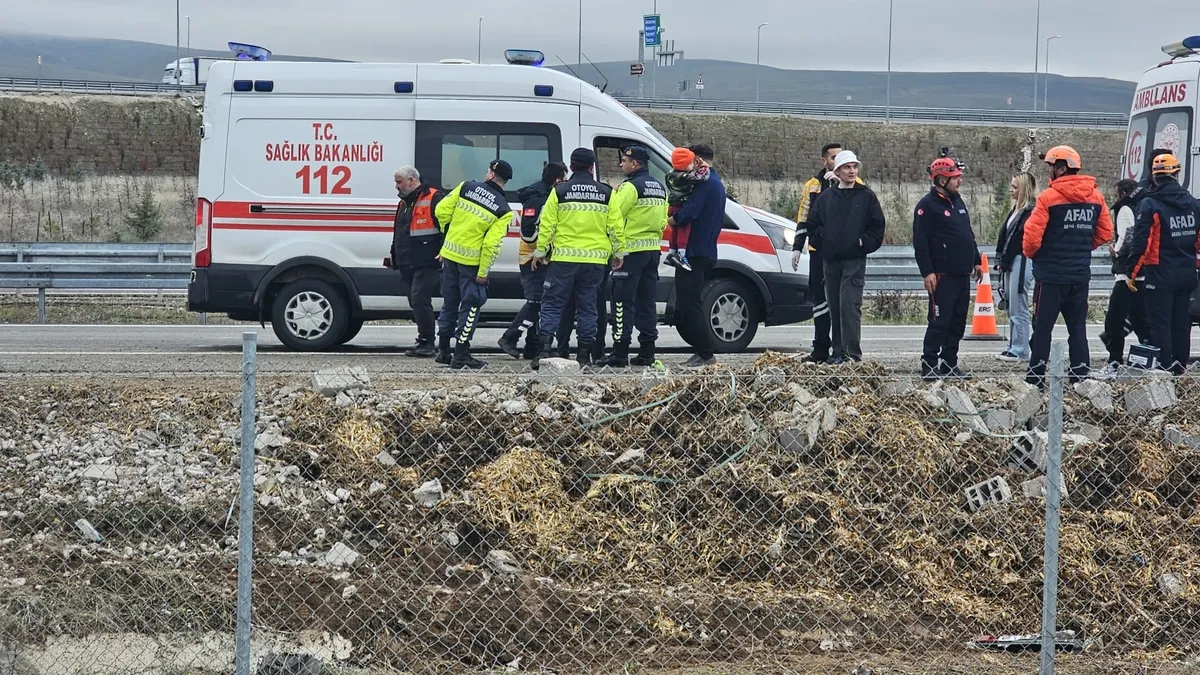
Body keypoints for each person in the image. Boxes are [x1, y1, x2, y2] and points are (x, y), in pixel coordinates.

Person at [1022, 145, 1113, 386]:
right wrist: (1081, 247)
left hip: (1050, 278)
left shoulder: (1047, 198)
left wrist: (1039, 254)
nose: (1049, 171)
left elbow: (1031, 240)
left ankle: (1035, 378)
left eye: (1051, 166)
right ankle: (1081, 376)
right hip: (1079, 276)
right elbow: (1105, 233)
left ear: (1061, 168)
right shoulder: (1096, 196)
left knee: (1042, 329)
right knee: (1077, 329)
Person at [530, 148, 617, 369]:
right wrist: (619, 253)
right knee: (588, 308)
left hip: (563, 260)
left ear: (572, 166)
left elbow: (546, 225)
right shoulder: (607, 193)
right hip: (595, 262)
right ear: (592, 167)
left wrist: (540, 253)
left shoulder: (560, 191)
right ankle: (584, 357)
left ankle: (544, 352)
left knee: (552, 304)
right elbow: (616, 227)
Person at [433, 159, 515, 369]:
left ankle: (443, 350)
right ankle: (461, 354)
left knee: (449, 303)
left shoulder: (465, 187)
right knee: (470, 307)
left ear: (490, 174)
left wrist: (446, 242)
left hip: (450, 256)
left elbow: (441, 211)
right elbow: (491, 244)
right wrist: (483, 272)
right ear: (504, 181)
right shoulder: (504, 209)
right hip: (472, 263)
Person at [1123, 153, 1200, 375]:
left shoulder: (1150, 204)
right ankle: (1179, 369)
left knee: (1160, 324)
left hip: (1160, 275)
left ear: (1154, 177)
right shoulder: (1193, 203)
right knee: (1181, 324)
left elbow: (1142, 244)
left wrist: (1131, 273)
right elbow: (1196, 239)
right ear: (1177, 173)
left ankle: (1165, 370)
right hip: (1186, 274)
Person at [807, 150, 886, 364]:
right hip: (830, 261)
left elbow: (877, 227)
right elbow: (812, 225)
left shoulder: (866, 196)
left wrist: (863, 243)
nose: (852, 171)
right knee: (834, 305)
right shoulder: (826, 198)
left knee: (849, 306)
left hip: (854, 260)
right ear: (838, 171)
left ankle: (852, 355)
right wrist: (822, 241)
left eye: (854, 167)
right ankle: (838, 352)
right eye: (847, 167)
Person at [598, 145, 669, 367]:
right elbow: (663, 222)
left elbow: (614, 217)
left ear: (634, 163)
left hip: (629, 253)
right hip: (651, 252)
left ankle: (620, 353)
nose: (622, 164)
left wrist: (617, 249)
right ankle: (647, 352)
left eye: (625, 161)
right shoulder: (660, 187)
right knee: (646, 302)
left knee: (622, 303)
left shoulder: (630, 188)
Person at [913, 155, 983, 380]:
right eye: (955, 178)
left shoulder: (958, 202)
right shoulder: (926, 206)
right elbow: (920, 243)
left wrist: (976, 260)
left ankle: (949, 363)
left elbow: (967, 234)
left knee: (957, 322)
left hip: (962, 274)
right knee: (939, 321)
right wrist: (927, 272)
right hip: (941, 276)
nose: (959, 181)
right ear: (941, 179)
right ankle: (929, 363)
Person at [497, 161, 568, 359]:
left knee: (541, 301)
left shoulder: (546, 194)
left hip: (540, 257)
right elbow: (528, 231)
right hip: (533, 258)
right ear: (556, 180)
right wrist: (542, 250)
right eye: (563, 179)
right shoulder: (538, 199)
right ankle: (510, 337)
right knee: (536, 302)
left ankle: (532, 346)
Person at [669, 143, 726, 368]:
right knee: (689, 302)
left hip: (694, 252)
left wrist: (673, 218)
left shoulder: (705, 184)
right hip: (704, 250)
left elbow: (689, 212)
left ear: (698, 160)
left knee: (689, 304)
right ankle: (702, 352)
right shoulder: (715, 182)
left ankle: (705, 354)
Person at [791, 142, 845, 363]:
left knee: (841, 299)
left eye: (841, 157)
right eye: (833, 158)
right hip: (818, 250)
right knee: (820, 298)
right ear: (824, 161)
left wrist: (838, 186)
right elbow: (803, 217)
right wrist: (797, 247)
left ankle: (843, 349)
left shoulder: (853, 183)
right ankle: (821, 346)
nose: (838, 162)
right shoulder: (812, 185)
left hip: (842, 252)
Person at [1096, 178, 1153, 372]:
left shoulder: (1124, 209)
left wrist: (1116, 249)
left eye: (1115, 193)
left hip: (1126, 274)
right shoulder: (1144, 205)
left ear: (1122, 194)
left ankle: (1114, 361)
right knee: (1140, 319)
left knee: (1114, 320)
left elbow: (1128, 235)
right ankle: (1151, 357)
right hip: (1143, 272)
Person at [388, 166, 445, 357]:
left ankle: (427, 342)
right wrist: (394, 255)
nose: (396, 187)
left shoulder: (434, 198)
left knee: (420, 300)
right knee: (415, 301)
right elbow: (400, 232)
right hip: (407, 262)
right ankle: (424, 340)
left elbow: (447, 228)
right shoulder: (404, 203)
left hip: (427, 261)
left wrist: (444, 252)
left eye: (399, 182)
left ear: (411, 181)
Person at [994, 172, 1038, 362]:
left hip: (1022, 259)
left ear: (1024, 189)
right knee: (1013, 305)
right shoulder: (1016, 210)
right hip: (1011, 261)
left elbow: (1018, 240)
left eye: (1015, 187)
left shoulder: (1030, 212)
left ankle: (1020, 349)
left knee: (1018, 305)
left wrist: (1004, 260)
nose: (1011, 190)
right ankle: (1013, 345)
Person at [664, 147, 710, 272]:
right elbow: (702, 177)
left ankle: (671, 253)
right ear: (684, 165)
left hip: (672, 206)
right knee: (684, 229)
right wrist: (704, 166)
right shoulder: (685, 177)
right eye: (690, 163)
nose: (692, 165)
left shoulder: (670, 174)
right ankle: (681, 255)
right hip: (680, 206)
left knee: (675, 231)